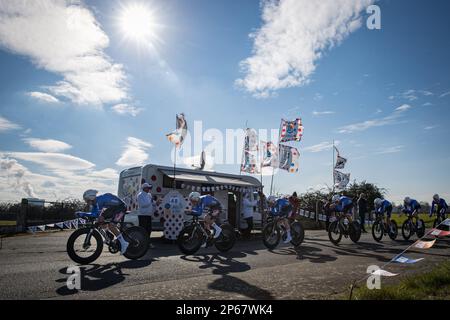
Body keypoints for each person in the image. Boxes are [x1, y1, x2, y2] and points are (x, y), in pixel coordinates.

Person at [81, 190, 129, 254]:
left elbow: (96, 214)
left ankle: (124, 243)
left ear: (91, 198)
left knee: (111, 225)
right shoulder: (95, 203)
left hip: (121, 207)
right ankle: (109, 236)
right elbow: (93, 213)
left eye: (86, 200)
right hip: (113, 208)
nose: (86, 201)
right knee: (100, 221)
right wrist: (84, 214)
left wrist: (82, 214)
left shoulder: (99, 201)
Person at [137, 183, 157, 248]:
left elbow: (152, 203)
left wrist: (156, 203)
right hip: (142, 215)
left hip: (148, 215)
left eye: (149, 188)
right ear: (144, 188)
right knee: (143, 230)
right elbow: (142, 205)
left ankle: (147, 243)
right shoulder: (140, 195)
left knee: (149, 229)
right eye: (148, 188)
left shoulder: (149, 195)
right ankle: (141, 243)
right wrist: (151, 201)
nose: (149, 189)